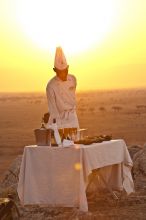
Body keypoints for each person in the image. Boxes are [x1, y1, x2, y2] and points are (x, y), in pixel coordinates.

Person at [46, 47, 79, 132]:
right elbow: (53, 110)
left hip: (73, 118)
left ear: (68, 68)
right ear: (55, 70)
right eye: (60, 72)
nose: (64, 74)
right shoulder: (50, 86)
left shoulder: (73, 79)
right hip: (59, 120)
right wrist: (59, 129)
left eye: (65, 71)